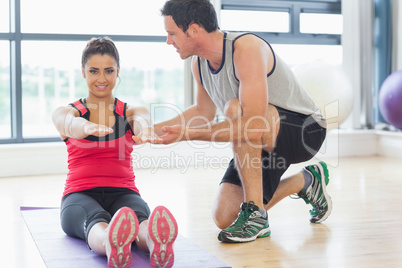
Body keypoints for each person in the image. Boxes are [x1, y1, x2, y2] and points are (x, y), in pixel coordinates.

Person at [156, 0, 332, 243]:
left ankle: (256, 217)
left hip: (305, 131)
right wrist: (151, 130)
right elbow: (202, 112)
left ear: (194, 30)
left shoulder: (245, 48)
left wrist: (187, 134)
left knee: (235, 107)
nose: (169, 42)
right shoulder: (198, 64)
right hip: (258, 135)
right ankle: (306, 181)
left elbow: (253, 124)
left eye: (172, 34)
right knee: (225, 216)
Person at [52, 37, 178, 268]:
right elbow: (67, 123)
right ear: (83, 72)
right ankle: (112, 243)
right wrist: (85, 127)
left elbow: (141, 119)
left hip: (123, 192)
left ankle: (155, 243)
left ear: (118, 71)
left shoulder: (130, 111)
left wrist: (146, 129)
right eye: (94, 71)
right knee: (94, 220)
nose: (102, 79)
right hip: (80, 194)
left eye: (109, 71)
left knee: (139, 219)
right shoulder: (68, 112)